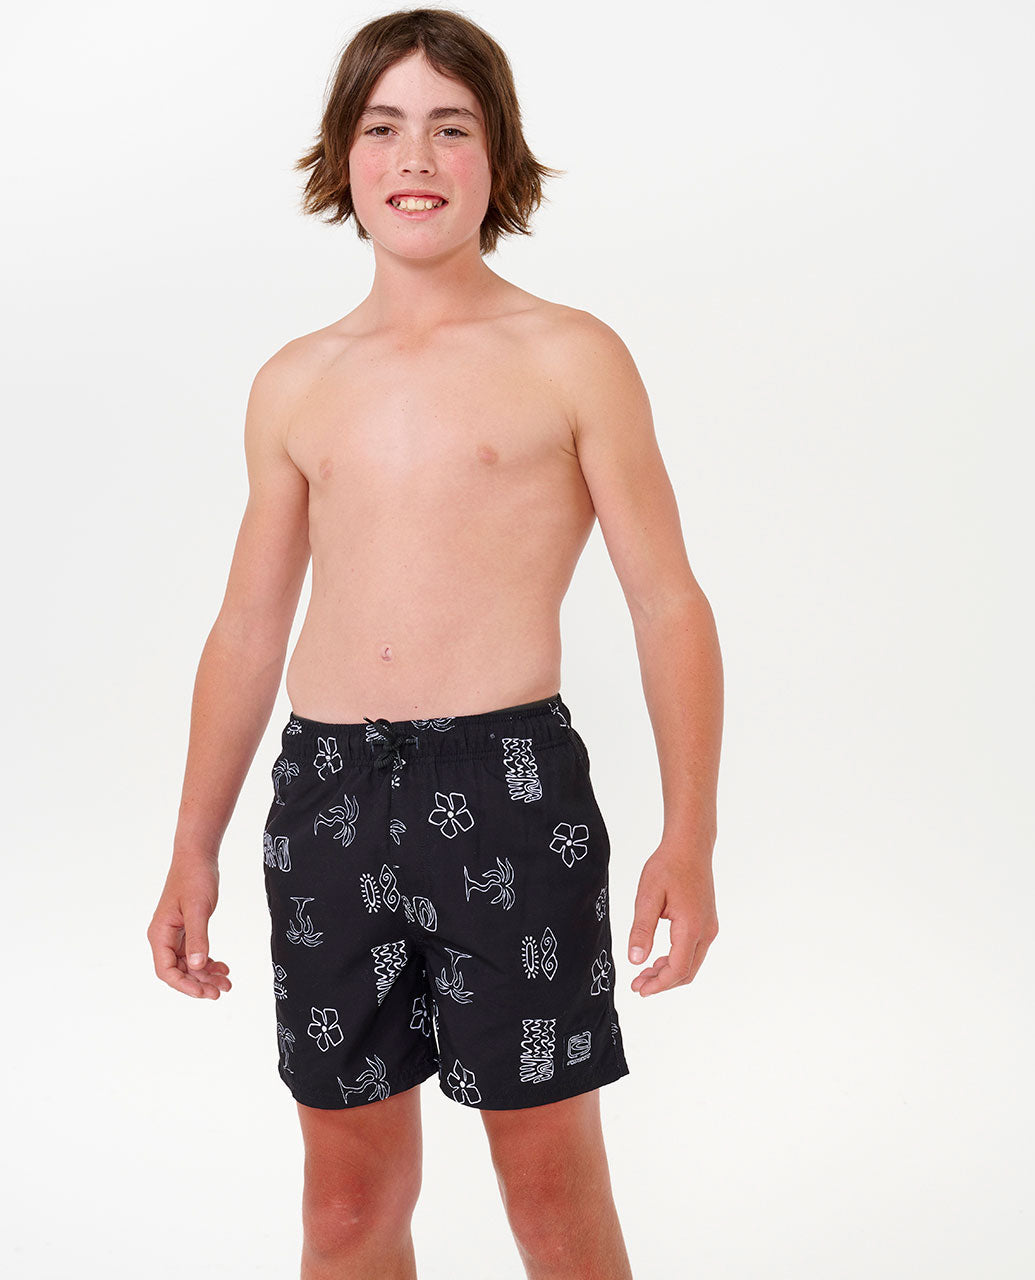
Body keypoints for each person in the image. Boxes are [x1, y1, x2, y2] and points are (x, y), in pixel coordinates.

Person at [147, 8, 722, 1278]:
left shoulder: (571, 355)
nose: (416, 157)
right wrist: (192, 844)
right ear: (342, 158)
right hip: (325, 798)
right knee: (346, 1204)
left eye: (451, 128)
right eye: (384, 127)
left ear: (497, 156)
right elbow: (248, 625)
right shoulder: (296, 379)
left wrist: (691, 834)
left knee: (551, 1194)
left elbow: (667, 601)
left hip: (507, 790)